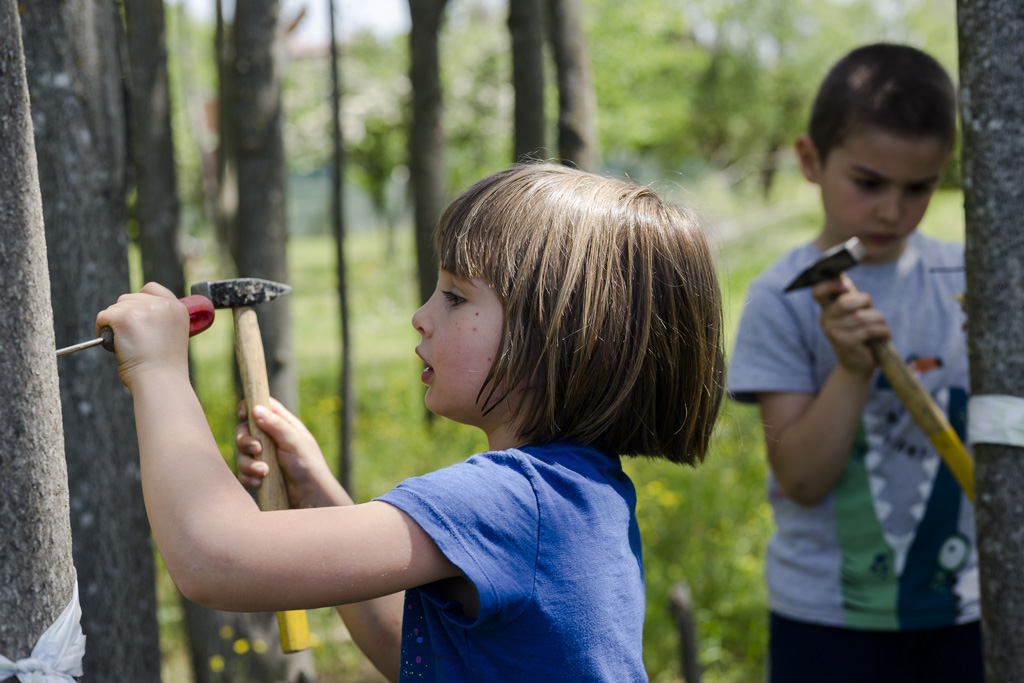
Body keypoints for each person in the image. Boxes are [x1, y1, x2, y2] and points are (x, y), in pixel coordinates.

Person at [97, 163, 726, 682]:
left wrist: (157, 373)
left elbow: (215, 557)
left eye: (455, 296)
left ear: (560, 339)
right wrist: (318, 496)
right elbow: (417, 652)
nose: (422, 316)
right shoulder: (578, 492)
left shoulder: (513, 502)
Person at [729, 44, 982, 682]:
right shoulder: (779, 298)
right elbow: (804, 479)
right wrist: (849, 368)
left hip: (968, 610)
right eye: (868, 183)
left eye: (919, 187)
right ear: (811, 160)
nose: (892, 210)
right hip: (826, 620)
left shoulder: (968, 280)